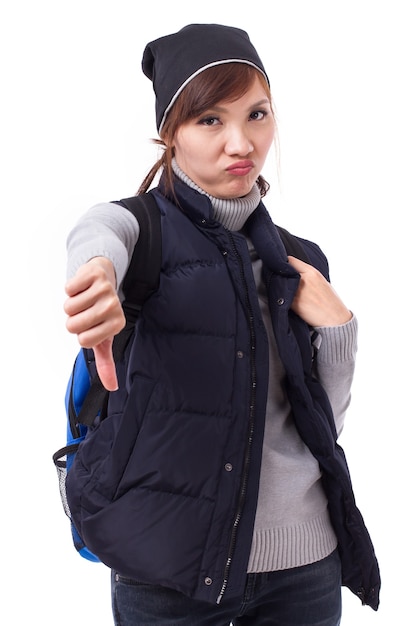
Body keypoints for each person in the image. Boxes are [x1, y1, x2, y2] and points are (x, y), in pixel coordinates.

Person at [63, 23, 380, 626]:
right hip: (169, 568)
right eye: (210, 120)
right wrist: (97, 276)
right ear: (169, 132)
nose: (241, 143)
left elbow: (321, 428)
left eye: (256, 115)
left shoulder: (300, 260)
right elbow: (98, 232)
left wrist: (340, 329)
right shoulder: (142, 232)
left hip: (305, 568)